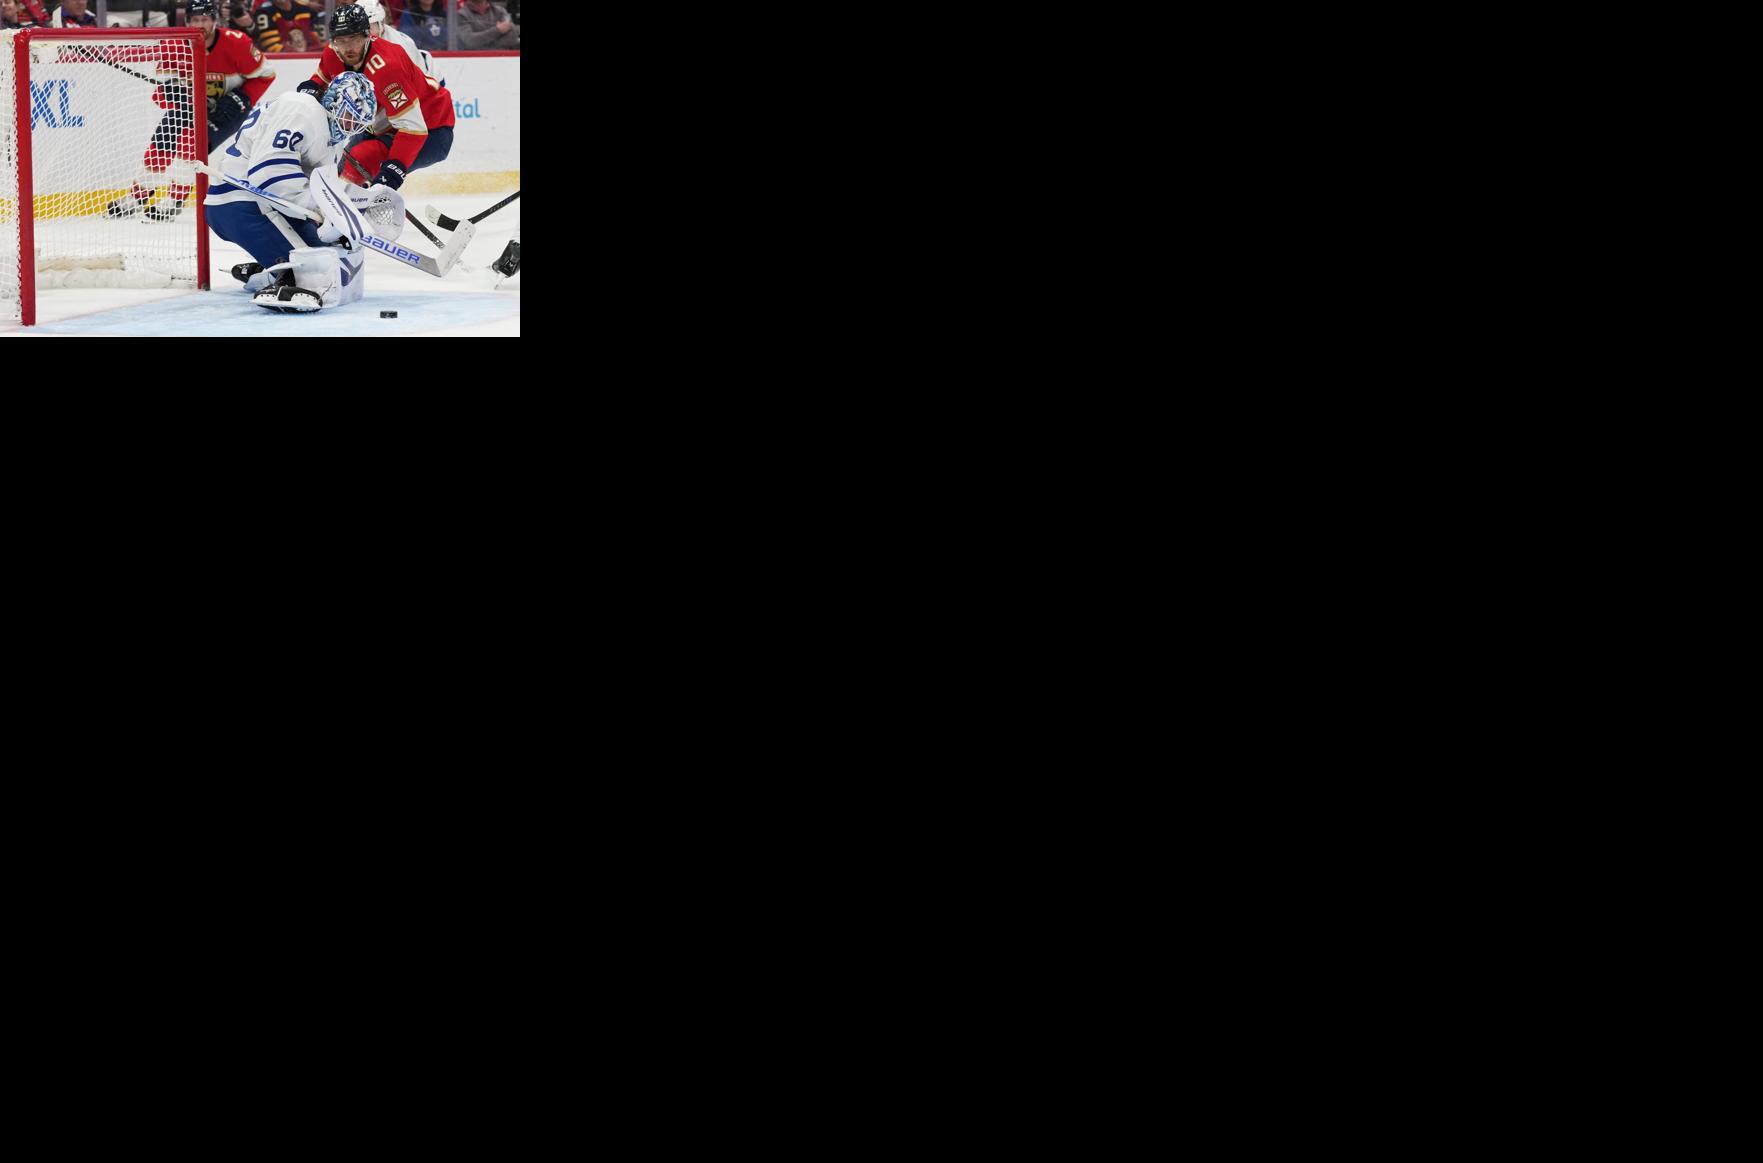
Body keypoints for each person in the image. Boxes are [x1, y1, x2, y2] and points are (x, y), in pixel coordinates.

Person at [205, 72, 395, 311]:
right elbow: (268, 173)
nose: (351, 127)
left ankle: (266, 271)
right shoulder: (301, 108)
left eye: (358, 122)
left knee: (331, 258)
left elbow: (318, 188)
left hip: (268, 204)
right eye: (349, 116)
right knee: (316, 276)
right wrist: (325, 210)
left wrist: (341, 215)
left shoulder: (333, 139)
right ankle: (283, 275)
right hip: (239, 200)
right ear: (334, 102)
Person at [106, 0, 275, 222]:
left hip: (227, 109)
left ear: (215, 21)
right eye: (195, 19)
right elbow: (160, 95)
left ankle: (174, 200)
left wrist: (240, 99)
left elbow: (266, 75)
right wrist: (173, 94)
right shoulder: (175, 46)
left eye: (205, 19)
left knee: (190, 145)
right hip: (189, 107)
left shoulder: (237, 43)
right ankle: (138, 196)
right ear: (187, 21)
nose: (200, 25)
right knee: (160, 143)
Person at [300, 3, 453, 192]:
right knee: (340, 166)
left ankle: (366, 208)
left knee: (359, 162)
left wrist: (393, 170)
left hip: (431, 128)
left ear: (367, 35)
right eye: (342, 40)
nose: (348, 48)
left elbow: (413, 127)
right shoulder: (334, 52)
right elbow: (320, 81)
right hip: (383, 124)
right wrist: (307, 95)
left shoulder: (388, 67)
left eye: (354, 39)